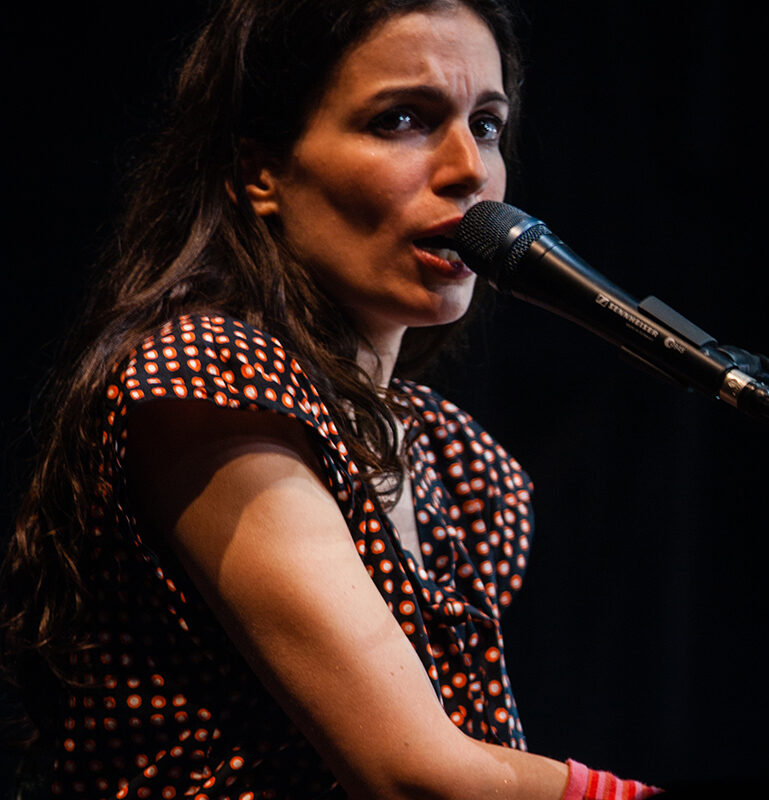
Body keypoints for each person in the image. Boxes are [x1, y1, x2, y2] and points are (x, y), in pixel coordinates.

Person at [1, 1, 662, 798]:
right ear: (261, 173)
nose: (469, 172)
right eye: (404, 119)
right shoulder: (207, 380)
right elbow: (414, 774)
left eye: (487, 125)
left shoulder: (450, 457)